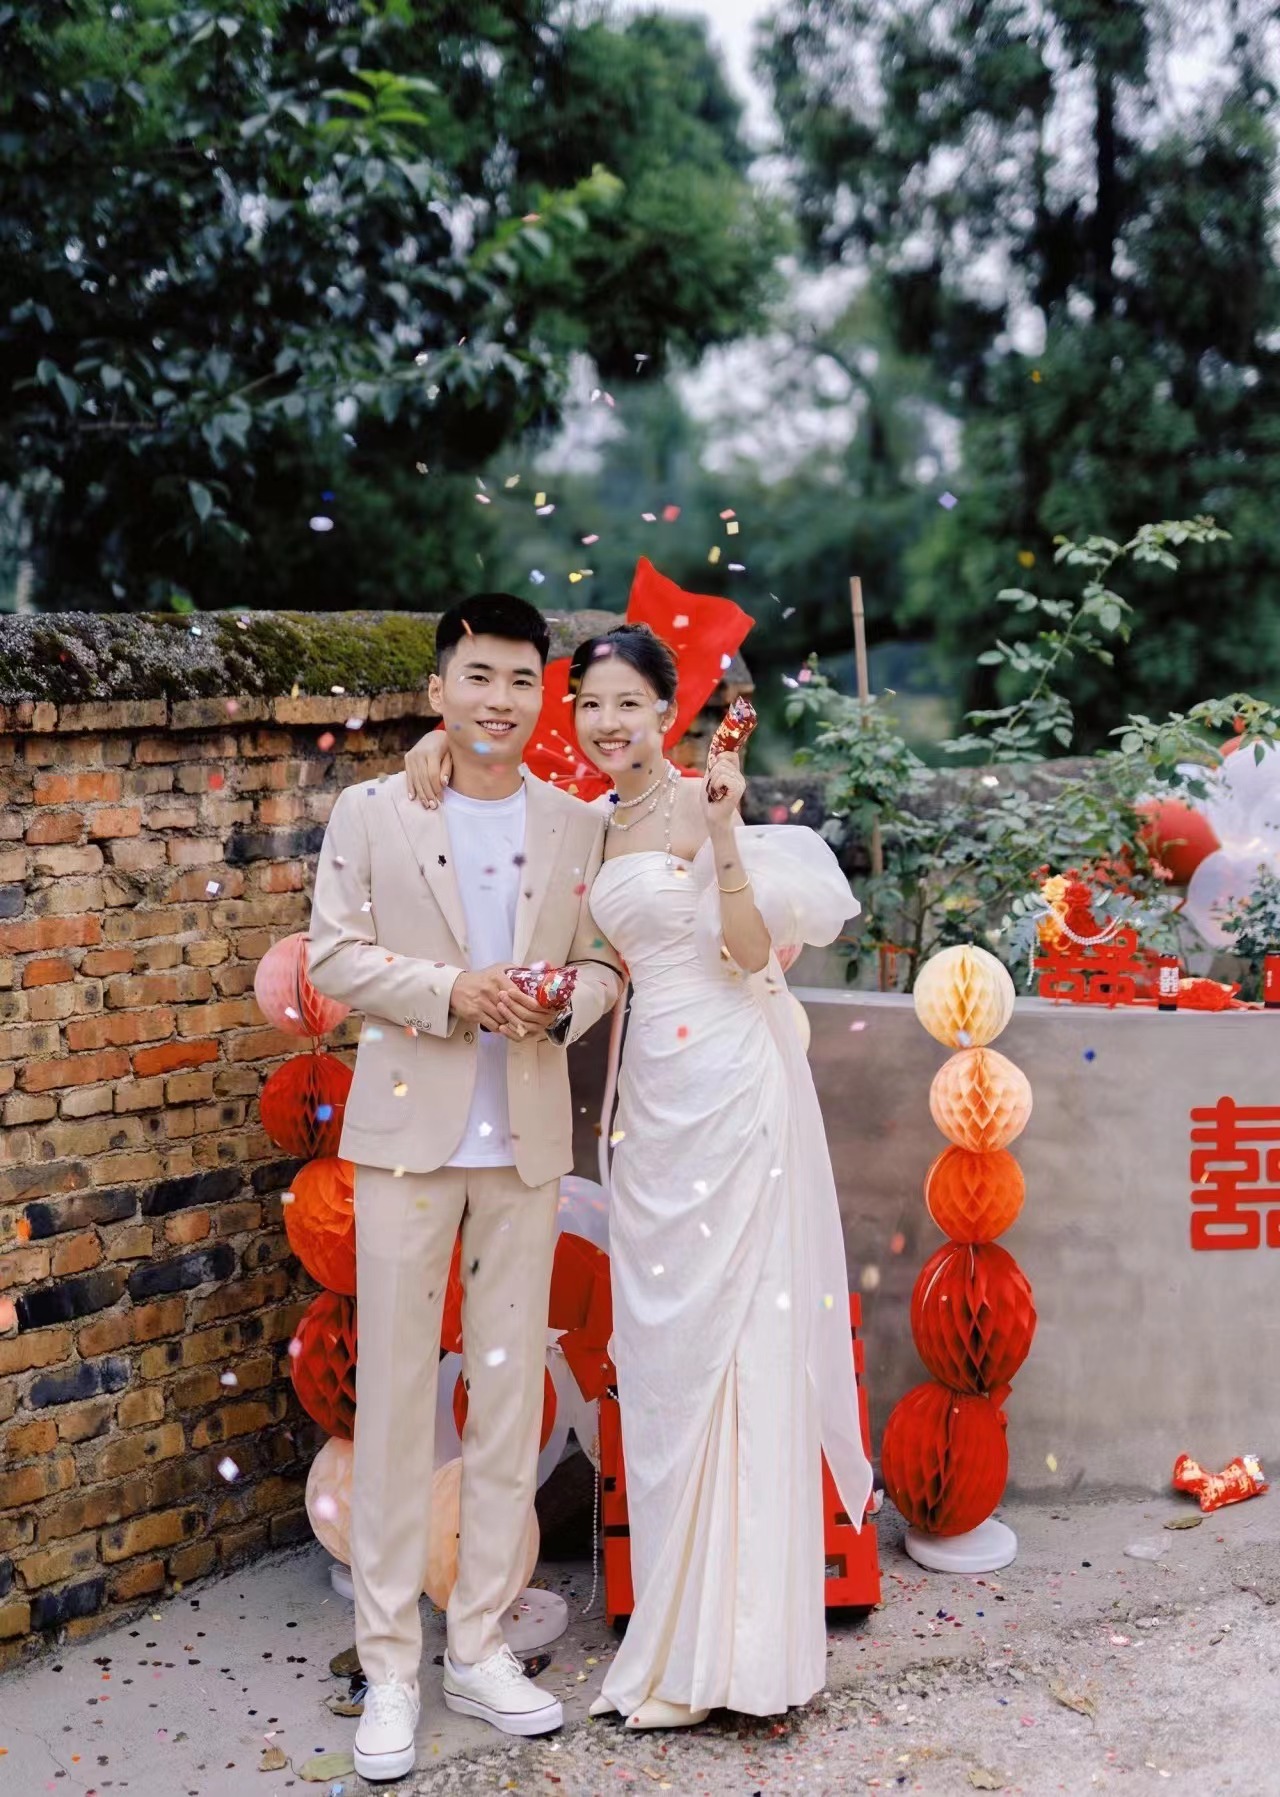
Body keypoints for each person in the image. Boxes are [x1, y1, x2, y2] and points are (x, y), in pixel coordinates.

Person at [404, 621, 872, 1729]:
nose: (608, 722)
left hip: (732, 1087)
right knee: (661, 1360)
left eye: (629, 702)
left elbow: (749, 953)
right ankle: (672, 1643)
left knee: (740, 1350)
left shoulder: (706, 804)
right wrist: (434, 749)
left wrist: (726, 835)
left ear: (668, 709)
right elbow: (557, 906)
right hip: (651, 1104)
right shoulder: (584, 823)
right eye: (591, 704)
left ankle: (749, 1658)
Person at [307, 593, 624, 1782]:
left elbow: (605, 963)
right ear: (438, 688)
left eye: (519, 680)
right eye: (477, 676)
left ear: (543, 696)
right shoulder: (373, 810)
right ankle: (390, 1665)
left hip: (524, 1141)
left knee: (505, 1402)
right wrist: (454, 992)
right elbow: (335, 954)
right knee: (393, 1403)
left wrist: (563, 1000)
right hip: (406, 1140)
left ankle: (478, 1646)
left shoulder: (576, 823)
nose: (499, 699)